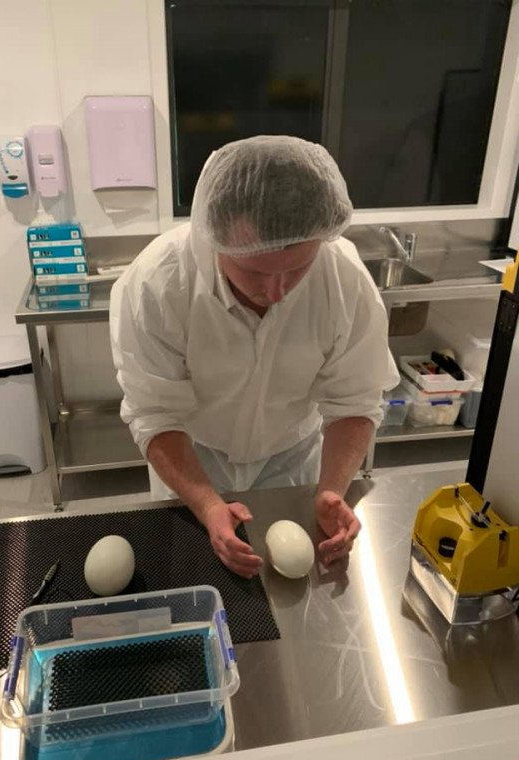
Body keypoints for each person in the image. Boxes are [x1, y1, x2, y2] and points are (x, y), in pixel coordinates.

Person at [110, 135, 399, 578]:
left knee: (286, 581)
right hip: (193, 453)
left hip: (292, 453)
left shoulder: (344, 280)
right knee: (192, 573)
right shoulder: (157, 283)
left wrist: (331, 490)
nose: (278, 292)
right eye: (255, 270)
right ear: (215, 237)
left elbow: (355, 401)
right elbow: (155, 414)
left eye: (298, 268)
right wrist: (207, 504)